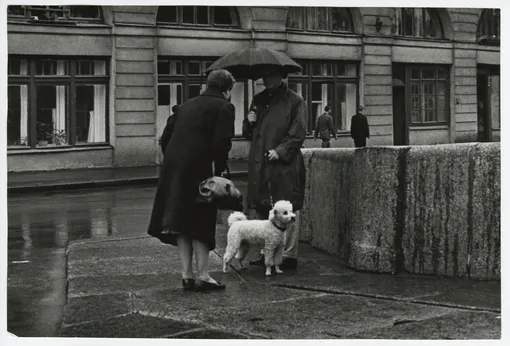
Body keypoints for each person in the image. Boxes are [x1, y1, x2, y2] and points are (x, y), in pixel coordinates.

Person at [148, 69, 236, 292]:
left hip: (174, 169)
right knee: (201, 222)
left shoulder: (185, 105)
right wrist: (220, 170)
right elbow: (221, 143)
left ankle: (186, 275)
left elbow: (165, 138)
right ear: (227, 89)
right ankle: (203, 275)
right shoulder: (224, 107)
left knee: (181, 222)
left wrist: (175, 160)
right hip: (201, 169)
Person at [242, 67, 307, 270]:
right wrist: (248, 123)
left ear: (281, 76)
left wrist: (280, 151)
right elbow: (248, 134)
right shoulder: (259, 99)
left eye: (270, 75)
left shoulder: (294, 100)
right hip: (261, 162)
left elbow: (298, 132)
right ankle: (267, 252)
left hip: (283, 164)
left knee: (288, 207)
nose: (266, 79)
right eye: (265, 76)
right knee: (263, 206)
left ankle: (288, 255)